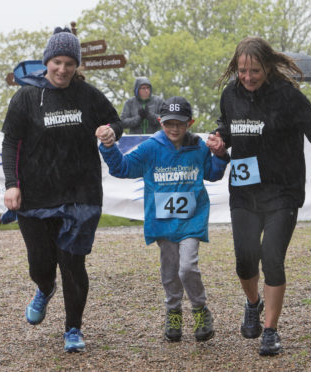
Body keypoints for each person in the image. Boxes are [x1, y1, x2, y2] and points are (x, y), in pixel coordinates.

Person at [207, 36, 311, 356]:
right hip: (244, 191)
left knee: (271, 257)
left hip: (283, 190)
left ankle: (270, 330)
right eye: (242, 70)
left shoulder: (287, 97)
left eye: (254, 70)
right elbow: (227, 127)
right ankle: (252, 303)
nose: (248, 76)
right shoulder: (230, 95)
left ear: (267, 66)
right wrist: (220, 140)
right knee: (244, 259)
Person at [1, 27, 123, 353]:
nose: (63, 69)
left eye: (70, 62)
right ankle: (44, 287)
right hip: (36, 195)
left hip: (80, 194)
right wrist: (12, 185)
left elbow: (116, 121)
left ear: (77, 64)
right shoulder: (26, 97)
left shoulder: (88, 95)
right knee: (40, 264)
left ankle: (73, 329)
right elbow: (11, 141)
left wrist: (110, 132)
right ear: (47, 61)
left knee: (73, 263)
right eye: (57, 61)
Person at [96, 96, 229, 342]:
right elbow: (122, 168)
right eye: (168, 123)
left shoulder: (198, 147)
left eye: (179, 123)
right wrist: (108, 146)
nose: (174, 128)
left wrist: (220, 155)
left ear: (190, 122)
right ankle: (173, 311)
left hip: (192, 220)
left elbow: (212, 173)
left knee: (187, 267)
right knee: (170, 271)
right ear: (159, 121)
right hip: (163, 221)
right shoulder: (150, 148)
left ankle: (200, 310)